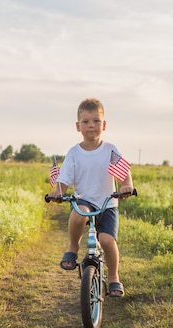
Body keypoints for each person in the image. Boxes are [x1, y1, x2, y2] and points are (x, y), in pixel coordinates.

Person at [48, 98, 134, 298]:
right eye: (86, 122)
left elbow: (124, 173)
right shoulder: (74, 153)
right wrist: (58, 191)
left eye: (96, 121)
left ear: (104, 125)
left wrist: (126, 186)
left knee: (106, 240)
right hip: (84, 199)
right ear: (78, 126)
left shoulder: (110, 149)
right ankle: (73, 247)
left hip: (108, 203)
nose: (91, 126)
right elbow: (64, 180)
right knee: (80, 214)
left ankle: (113, 277)